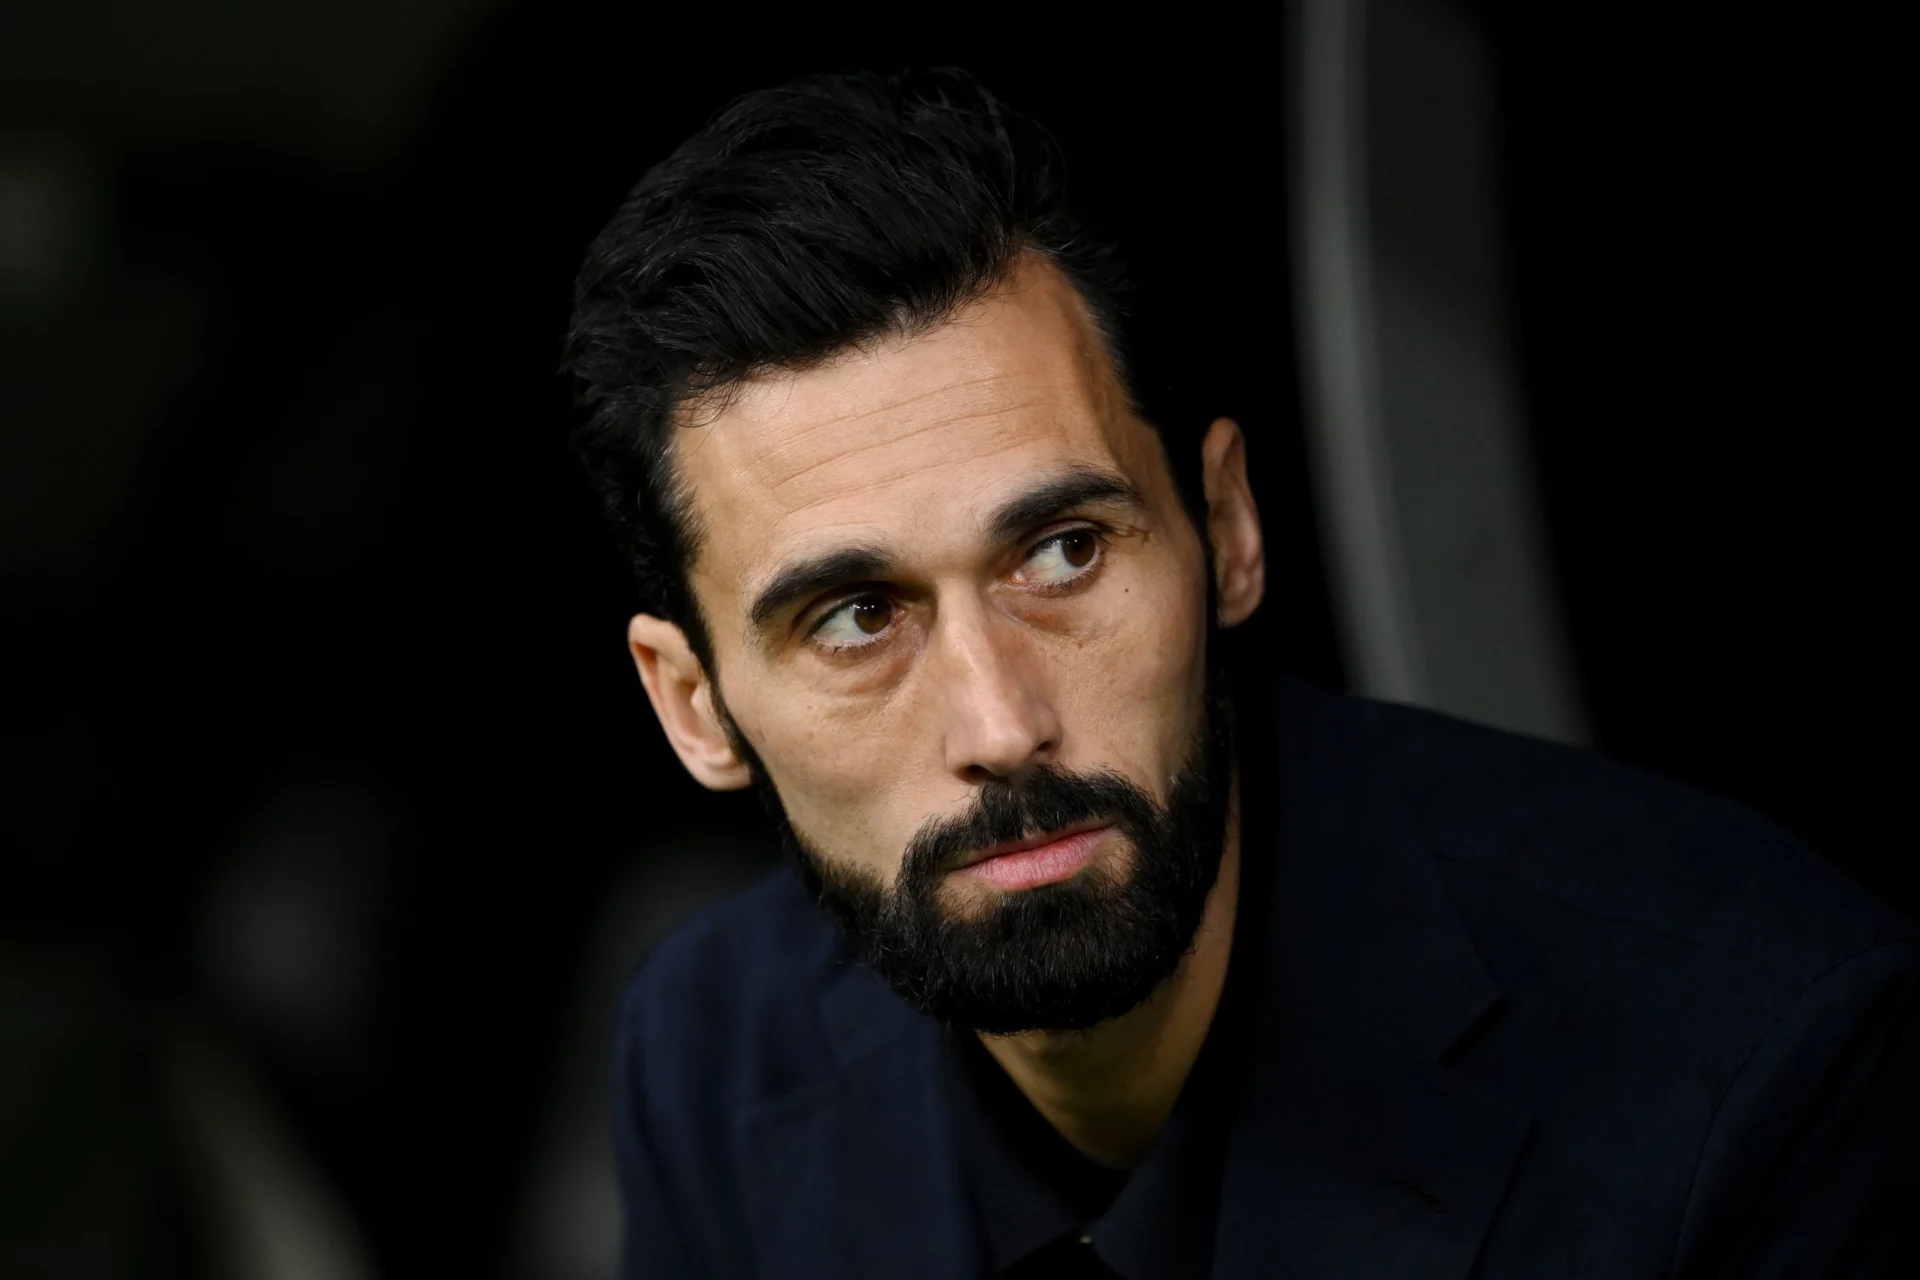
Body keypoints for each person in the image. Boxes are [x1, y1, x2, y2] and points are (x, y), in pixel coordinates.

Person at [561, 68, 1919, 1279]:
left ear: (1227, 531)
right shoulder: (715, 1059)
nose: (1001, 721)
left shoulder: (1755, 1058)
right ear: (694, 704)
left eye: (1066, 551)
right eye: (857, 620)